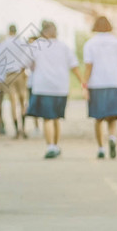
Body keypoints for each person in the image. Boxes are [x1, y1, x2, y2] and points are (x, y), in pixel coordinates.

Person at [26, 21, 83, 158]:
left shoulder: (36, 46)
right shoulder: (64, 47)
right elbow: (74, 66)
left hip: (43, 87)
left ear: (43, 33)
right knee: (56, 118)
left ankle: (51, 146)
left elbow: (28, 64)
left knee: (47, 118)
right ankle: (56, 146)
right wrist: (82, 82)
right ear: (55, 32)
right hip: (60, 88)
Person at [83, 16, 117, 159]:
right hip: (114, 83)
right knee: (112, 117)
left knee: (98, 118)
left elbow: (88, 67)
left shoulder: (90, 44)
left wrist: (84, 85)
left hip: (96, 84)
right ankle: (112, 138)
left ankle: (101, 148)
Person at [0, 25, 28, 139]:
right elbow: (28, 57)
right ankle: (24, 129)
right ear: (16, 31)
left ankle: (17, 130)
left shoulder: (5, 43)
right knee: (23, 101)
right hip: (20, 73)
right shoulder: (21, 42)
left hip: (9, 75)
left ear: (8, 31)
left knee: (13, 102)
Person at [25, 36, 40, 136]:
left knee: (37, 105)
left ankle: (40, 127)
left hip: (38, 83)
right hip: (32, 82)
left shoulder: (39, 52)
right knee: (34, 106)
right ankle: (37, 127)